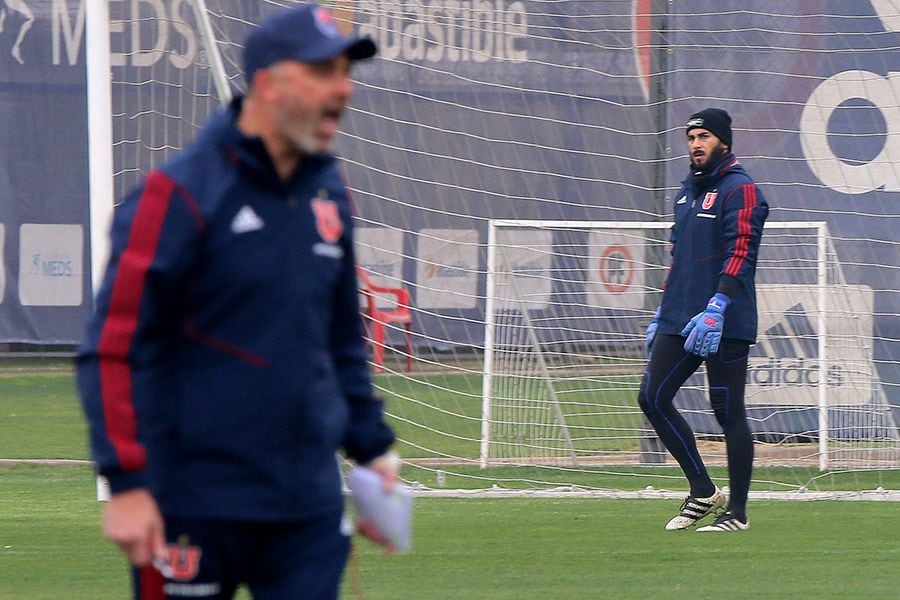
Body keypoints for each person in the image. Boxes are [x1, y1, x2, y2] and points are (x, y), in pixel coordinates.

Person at [76, 4, 398, 598]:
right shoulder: (175, 196)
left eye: (346, 73)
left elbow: (339, 339)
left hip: (306, 504)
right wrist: (125, 483)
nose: (344, 89)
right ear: (269, 84)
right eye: (323, 72)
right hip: (189, 502)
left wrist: (373, 448)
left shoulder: (329, 192)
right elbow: (113, 349)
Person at [638, 108, 769, 532]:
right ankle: (703, 492)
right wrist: (663, 310)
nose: (696, 143)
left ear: (724, 142)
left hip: (724, 319)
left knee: (727, 412)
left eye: (705, 136)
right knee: (652, 398)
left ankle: (739, 514)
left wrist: (718, 306)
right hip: (680, 317)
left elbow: (741, 252)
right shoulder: (684, 193)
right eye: (691, 136)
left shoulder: (741, 189)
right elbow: (679, 256)